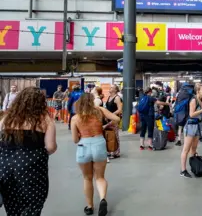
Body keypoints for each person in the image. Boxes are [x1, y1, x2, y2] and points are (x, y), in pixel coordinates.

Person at [0, 87, 57, 215]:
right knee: (32, 206)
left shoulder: (7, 118)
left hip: (6, 167)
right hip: (32, 168)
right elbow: (50, 147)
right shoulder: (45, 120)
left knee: (12, 206)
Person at [71, 93, 120, 215]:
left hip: (84, 146)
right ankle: (102, 198)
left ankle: (90, 206)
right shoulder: (100, 111)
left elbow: (75, 140)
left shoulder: (75, 118)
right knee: (100, 177)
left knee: (87, 178)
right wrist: (106, 125)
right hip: (99, 143)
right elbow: (117, 119)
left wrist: (80, 134)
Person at [180, 83, 202, 178]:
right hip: (190, 126)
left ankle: (194, 167)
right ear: (198, 91)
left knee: (194, 149)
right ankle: (183, 170)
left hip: (197, 125)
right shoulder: (193, 100)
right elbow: (191, 114)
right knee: (186, 149)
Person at [105, 85, 123, 158]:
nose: (110, 88)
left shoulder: (117, 98)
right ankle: (110, 150)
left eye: (112, 87)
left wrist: (111, 114)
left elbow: (119, 109)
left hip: (114, 118)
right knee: (109, 135)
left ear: (115, 90)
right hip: (108, 118)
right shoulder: (109, 97)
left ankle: (115, 152)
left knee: (115, 135)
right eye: (110, 87)